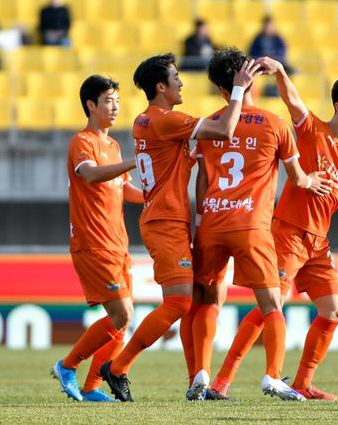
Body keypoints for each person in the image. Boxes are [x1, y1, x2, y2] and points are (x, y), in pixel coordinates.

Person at [206, 58, 338, 401]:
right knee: (270, 307)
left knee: (333, 312)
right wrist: (281, 72)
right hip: (287, 234)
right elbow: (292, 101)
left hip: (317, 242)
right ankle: (222, 380)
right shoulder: (311, 129)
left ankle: (301, 383)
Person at [99, 53, 262, 402]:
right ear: (161, 87)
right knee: (179, 302)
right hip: (165, 222)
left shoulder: (146, 121)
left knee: (196, 299)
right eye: (176, 77)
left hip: (168, 219)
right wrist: (237, 91)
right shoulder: (163, 120)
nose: (181, 82)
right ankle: (118, 367)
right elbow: (224, 129)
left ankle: (197, 382)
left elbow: (171, 160)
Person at [181, 47, 335, 401]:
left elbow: (202, 178)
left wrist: (201, 220)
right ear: (250, 79)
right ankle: (272, 377)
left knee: (207, 302)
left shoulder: (212, 124)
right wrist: (311, 180)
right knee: (271, 306)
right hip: (251, 226)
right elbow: (297, 178)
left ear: (221, 88)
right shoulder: (275, 124)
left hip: (213, 224)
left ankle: (201, 374)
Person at [50, 75, 144, 403]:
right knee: (122, 316)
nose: (115, 106)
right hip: (93, 242)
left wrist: (158, 192)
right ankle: (67, 366)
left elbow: (125, 189)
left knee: (124, 319)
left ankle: (92, 386)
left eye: (117, 100)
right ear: (91, 105)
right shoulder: (82, 141)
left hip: (118, 242)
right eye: (108, 100)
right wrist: (135, 161)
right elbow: (89, 174)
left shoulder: (114, 145)